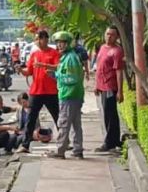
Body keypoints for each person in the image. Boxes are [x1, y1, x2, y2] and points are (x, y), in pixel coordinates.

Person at [41, 31, 85, 159]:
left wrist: (57, 76)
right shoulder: (68, 57)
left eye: (62, 43)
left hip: (69, 96)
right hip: (74, 96)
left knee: (64, 124)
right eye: (58, 43)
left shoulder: (70, 58)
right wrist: (55, 75)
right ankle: (78, 150)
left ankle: (60, 151)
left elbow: (72, 79)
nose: (59, 45)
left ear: (68, 43)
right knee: (76, 125)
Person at [15, 30, 60, 153]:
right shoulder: (34, 54)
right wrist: (21, 70)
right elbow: (28, 71)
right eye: (36, 39)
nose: (37, 42)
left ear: (46, 39)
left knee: (57, 117)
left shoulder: (54, 53)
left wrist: (43, 65)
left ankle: (65, 141)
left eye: (39, 39)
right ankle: (25, 145)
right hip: (36, 91)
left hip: (51, 91)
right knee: (31, 118)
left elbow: (58, 67)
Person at [94, 26, 125, 153]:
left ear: (117, 37)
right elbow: (99, 67)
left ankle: (109, 142)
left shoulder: (117, 51)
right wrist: (96, 85)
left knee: (109, 114)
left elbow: (119, 72)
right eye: (107, 34)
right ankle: (114, 140)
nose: (109, 37)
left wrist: (120, 91)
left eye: (112, 34)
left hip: (110, 87)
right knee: (108, 114)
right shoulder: (102, 48)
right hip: (102, 86)